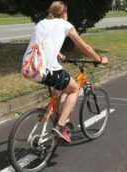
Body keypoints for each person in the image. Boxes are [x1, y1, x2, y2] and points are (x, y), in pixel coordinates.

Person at [23, 1, 108, 143]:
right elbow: (84, 47)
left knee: (59, 88)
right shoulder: (65, 25)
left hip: (31, 69)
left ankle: (47, 114)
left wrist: (59, 55)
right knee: (74, 89)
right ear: (64, 13)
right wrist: (99, 59)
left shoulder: (41, 23)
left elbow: (42, 43)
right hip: (49, 70)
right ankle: (61, 126)